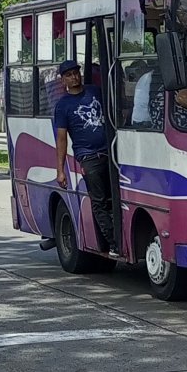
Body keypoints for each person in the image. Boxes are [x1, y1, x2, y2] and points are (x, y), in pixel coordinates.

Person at [54, 60, 118, 258]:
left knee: (114, 198)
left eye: (76, 73)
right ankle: (114, 243)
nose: (74, 77)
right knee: (99, 203)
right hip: (88, 158)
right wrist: (60, 170)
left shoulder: (95, 92)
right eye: (69, 75)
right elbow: (62, 138)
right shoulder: (63, 106)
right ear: (63, 79)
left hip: (111, 152)